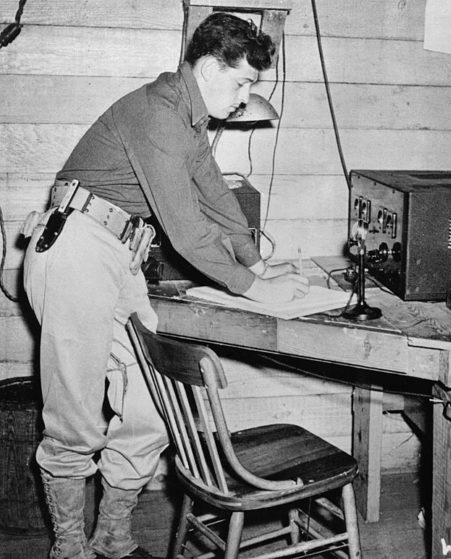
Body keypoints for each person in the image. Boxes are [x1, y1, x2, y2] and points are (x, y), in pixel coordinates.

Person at [22, 12, 309, 559]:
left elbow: (215, 198)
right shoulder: (157, 115)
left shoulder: (188, 120)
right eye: (241, 82)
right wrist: (253, 288)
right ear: (206, 67)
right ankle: (70, 547)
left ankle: (112, 537)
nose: (246, 97)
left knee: (154, 405)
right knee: (75, 419)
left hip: (118, 255)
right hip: (76, 252)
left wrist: (260, 264)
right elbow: (187, 230)